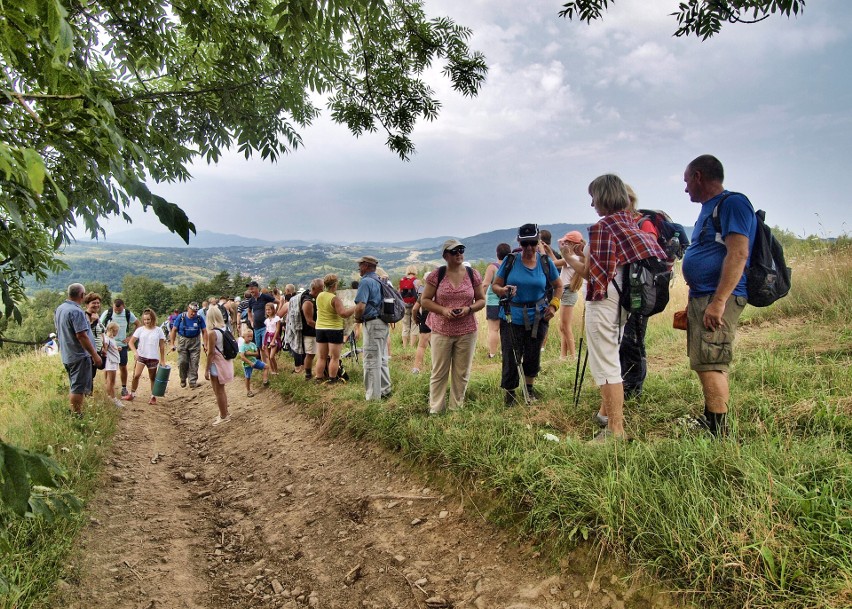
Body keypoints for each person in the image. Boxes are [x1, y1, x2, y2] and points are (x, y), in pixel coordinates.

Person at [560, 175, 667, 441]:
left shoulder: (603, 227)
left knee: (605, 366)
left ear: (604, 196)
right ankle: (609, 419)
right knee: (613, 361)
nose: (592, 203)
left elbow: (595, 276)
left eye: (594, 196)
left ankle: (614, 431)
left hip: (604, 302)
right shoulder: (630, 223)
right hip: (624, 304)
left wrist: (567, 258)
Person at [681, 155, 756, 437]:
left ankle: (718, 430)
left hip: (718, 297)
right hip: (704, 295)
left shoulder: (733, 203)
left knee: (712, 360)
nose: (686, 189)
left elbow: (738, 252)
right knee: (707, 360)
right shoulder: (709, 208)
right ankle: (712, 418)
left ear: (698, 176)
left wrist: (719, 301)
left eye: (687, 181)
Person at [491, 224, 563, 405]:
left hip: (538, 317)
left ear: (538, 242)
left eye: (532, 243)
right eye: (525, 244)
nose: (529, 248)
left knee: (532, 354)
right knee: (511, 354)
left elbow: (559, 286)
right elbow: (495, 286)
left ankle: (529, 390)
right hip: (511, 316)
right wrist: (504, 290)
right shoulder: (510, 261)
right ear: (519, 242)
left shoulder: (545, 262)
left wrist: (554, 305)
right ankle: (510, 394)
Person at [420, 240, 486, 414]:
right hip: (441, 330)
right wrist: (443, 310)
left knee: (461, 373)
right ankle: (436, 410)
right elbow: (425, 300)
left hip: (467, 330)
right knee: (439, 372)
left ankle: (456, 409)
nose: (459, 253)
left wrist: (469, 309)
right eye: (454, 251)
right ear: (445, 256)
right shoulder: (437, 275)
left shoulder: (473, 274)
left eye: (461, 249)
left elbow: (481, 300)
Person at [619, 185, 659, 400]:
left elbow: (650, 253)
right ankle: (625, 383)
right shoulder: (627, 224)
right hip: (625, 291)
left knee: (632, 340)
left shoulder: (644, 224)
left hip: (639, 291)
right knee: (624, 341)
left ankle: (633, 389)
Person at [54, 283, 102, 416]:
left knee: (75, 384)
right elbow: (81, 335)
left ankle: (75, 411)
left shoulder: (60, 308)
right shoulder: (76, 311)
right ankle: (76, 414)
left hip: (67, 354)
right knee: (78, 387)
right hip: (78, 355)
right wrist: (95, 355)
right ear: (82, 295)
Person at [353, 255, 392, 400]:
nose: (359, 267)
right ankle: (385, 390)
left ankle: (372, 397)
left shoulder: (366, 282)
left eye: (361, 264)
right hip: (382, 322)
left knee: (370, 360)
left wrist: (357, 319)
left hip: (372, 323)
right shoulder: (379, 280)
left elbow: (360, 306)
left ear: (367, 266)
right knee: (381, 358)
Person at [314, 273, 356, 383]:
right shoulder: (335, 299)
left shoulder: (319, 295)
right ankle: (332, 379)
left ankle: (318, 378)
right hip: (334, 329)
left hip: (320, 328)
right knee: (334, 357)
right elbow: (343, 313)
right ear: (335, 285)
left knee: (322, 357)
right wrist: (356, 307)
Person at [122, 308, 167, 404]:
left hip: (153, 357)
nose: (146, 321)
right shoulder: (140, 330)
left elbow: (162, 346)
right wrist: (135, 352)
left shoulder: (159, 330)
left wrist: (163, 360)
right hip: (141, 356)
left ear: (153, 319)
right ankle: (132, 394)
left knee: (152, 377)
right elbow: (131, 342)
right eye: (145, 319)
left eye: (148, 319)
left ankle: (153, 396)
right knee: (136, 375)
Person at [100, 298, 140, 397]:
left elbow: (138, 324)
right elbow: (99, 325)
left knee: (123, 366)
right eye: (115, 309)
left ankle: (124, 387)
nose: (117, 311)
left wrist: (130, 337)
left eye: (119, 310)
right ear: (112, 306)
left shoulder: (127, 313)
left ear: (123, 306)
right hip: (109, 345)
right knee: (107, 367)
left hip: (122, 345)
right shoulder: (108, 313)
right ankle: (107, 387)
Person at [555, 231, 585, 360]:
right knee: (563, 327)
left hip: (568, 292)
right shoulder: (574, 258)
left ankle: (573, 356)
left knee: (565, 327)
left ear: (572, 244)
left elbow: (553, 264)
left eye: (567, 242)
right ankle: (563, 356)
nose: (563, 244)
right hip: (567, 292)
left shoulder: (572, 259)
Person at [205, 305, 235, 425]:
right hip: (225, 361)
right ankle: (225, 412)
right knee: (221, 390)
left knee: (218, 391)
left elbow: (211, 353)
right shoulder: (225, 328)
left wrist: (206, 369)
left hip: (216, 364)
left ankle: (223, 416)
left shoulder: (212, 333)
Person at [169, 302, 208, 388]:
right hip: (183, 341)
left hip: (195, 341)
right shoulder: (181, 317)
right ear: (188, 309)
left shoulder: (199, 318)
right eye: (192, 311)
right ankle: (183, 378)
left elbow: (204, 331)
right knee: (183, 361)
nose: (193, 313)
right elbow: (174, 330)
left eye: (195, 311)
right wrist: (172, 344)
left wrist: (205, 344)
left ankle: (192, 381)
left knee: (194, 362)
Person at [483, 243, 511, 359]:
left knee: (493, 329)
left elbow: (485, 284)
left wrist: (480, 296)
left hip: (494, 302)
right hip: (508, 302)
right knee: (506, 329)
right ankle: (504, 352)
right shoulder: (510, 266)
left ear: (497, 253)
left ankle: (493, 353)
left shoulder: (492, 267)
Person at [301, 278, 322, 380]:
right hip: (310, 332)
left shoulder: (314, 298)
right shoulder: (308, 302)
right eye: (321, 289)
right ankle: (308, 375)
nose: (322, 291)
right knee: (310, 354)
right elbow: (309, 321)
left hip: (316, 330)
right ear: (314, 288)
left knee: (318, 354)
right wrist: (322, 328)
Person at [245, 281, 276, 348]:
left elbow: (278, 302)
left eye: (252, 288)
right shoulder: (251, 300)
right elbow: (249, 311)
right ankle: (262, 359)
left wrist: (276, 315)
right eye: (249, 289)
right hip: (256, 327)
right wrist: (251, 321)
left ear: (257, 288)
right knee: (259, 347)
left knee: (264, 346)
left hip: (265, 326)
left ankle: (267, 359)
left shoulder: (265, 297)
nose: (251, 291)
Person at [238, 327, 267, 397]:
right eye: (248, 336)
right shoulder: (242, 346)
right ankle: (248, 391)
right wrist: (249, 362)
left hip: (255, 361)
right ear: (243, 337)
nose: (250, 338)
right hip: (247, 364)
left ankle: (265, 380)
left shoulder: (253, 344)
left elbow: (257, 353)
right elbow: (242, 357)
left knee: (266, 366)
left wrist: (249, 353)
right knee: (248, 377)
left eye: (251, 336)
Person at [84, 292, 106, 381]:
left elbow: (101, 332)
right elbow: (84, 333)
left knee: (91, 376)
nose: (96, 305)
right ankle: (87, 394)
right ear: (87, 304)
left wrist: (104, 347)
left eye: (98, 303)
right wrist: (93, 322)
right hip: (89, 352)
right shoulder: (85, 316)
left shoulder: (96, 316)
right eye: (93, 303)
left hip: (98, 350)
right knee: (88, 376)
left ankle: (89, 394)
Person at [399, 265, 421, 348]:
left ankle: (404, 346)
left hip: (404, 305)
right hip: (415, 305)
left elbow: (399, 293)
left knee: (405, 326)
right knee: (414, 325)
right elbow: (421, 293)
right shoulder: (417, 281)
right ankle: (411, 347)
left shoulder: (402, 280)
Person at [103, 322, 123, 407]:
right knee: (111, 382)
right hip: (110, 362)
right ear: (112, 330)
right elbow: (105, 350)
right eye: (116, 331)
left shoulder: (111, 338)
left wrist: (116, 348)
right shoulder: (107, 339)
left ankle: (110, 398)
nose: (117, 333)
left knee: (110, 381)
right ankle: (113, 398)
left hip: (113, 361)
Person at [262, 302, 282, 377]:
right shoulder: (267, 320)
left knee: (271, 356)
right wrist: (264, 343)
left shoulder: (276, 319)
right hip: (267, 339)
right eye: (266, 310)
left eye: (269, 310)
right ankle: (272, 371)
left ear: (273, 310)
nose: (268, 311)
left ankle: (276, 371)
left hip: (274, 338)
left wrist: (273, 340)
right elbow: (266, 331)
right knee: (268, 357)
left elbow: (277, 330)